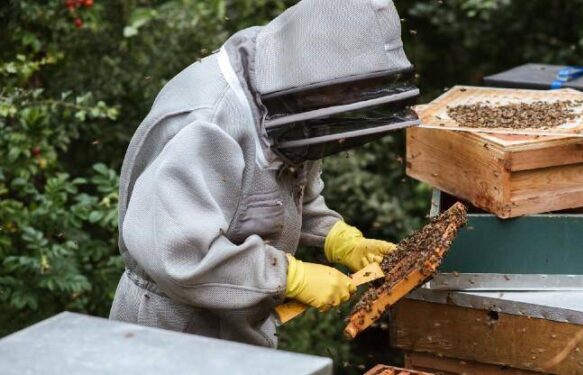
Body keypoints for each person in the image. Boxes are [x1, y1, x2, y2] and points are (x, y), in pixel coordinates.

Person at [109, 0, 419, 348]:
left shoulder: (295, 101)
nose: (354, 97)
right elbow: (180, 255)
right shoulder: (208, 122)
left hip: (236, 326)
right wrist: (289, 276)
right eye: (349, 87)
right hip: (169, 331)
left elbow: (275, 195)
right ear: (317, 62)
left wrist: (336, 237)